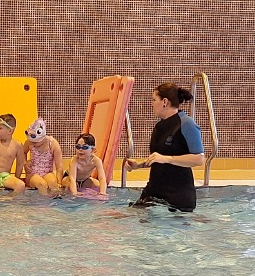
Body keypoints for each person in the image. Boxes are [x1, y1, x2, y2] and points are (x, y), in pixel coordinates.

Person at [125, 83, 205, 211]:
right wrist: (139, 165)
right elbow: (159, 158)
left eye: (154, 100)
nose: (151, 104)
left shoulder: (186, 123)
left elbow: (199, 159)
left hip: (177, 197)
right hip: (154, 192)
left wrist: (167, 159)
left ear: (165, 102)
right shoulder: (159, 126)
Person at [21, 117, 64, 196]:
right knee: (42, 184)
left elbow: (59, 166)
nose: (33, 144)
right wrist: (25, 164)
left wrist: (59, 182)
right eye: (32, 142)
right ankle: (43, 203)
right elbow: (23, 152)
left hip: (47, 173)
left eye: (36, 142)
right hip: (32, 174)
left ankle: (54, 202)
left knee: (53, 183)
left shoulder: (53, 143)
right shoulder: (29, 142)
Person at [64, 132, 109, 199]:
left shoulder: (96, 161)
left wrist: (102, 193)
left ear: (93, 150)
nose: (80, 150)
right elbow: (72, 178)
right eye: (78, 147)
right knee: (69, 187)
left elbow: (102, 178)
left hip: (85, 179)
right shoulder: (74, 160)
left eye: (84, 147)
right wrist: (74, 193)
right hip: (68, 178)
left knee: (98, 186)